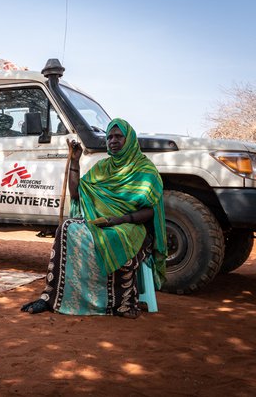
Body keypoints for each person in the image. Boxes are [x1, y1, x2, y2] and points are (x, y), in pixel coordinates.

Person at [21, 118, 167, 319]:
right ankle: (51, 297)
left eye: (118, 136)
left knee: (116, 236)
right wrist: (74, 160)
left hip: (132, 224)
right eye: (109, 137)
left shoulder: (145, 170)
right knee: (67, 228)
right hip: (100, 220)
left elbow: (151, 211)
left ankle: (121, 303)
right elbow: (76, 194)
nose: (113, 140)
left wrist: (119, 219)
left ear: (130, 139)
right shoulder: (102, 168)